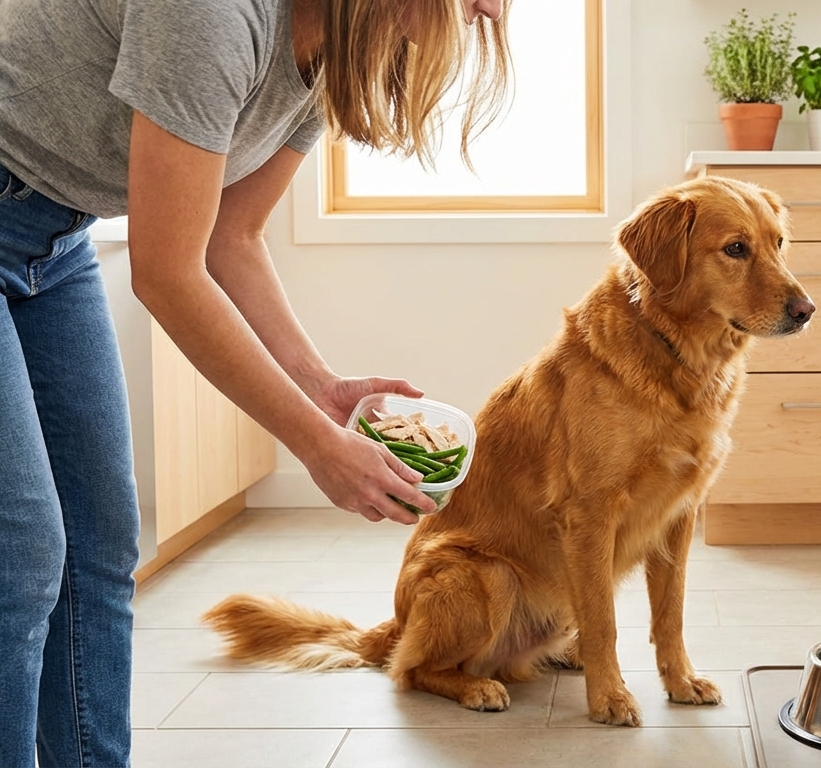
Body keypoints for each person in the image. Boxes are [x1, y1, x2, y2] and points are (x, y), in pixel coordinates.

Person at [0, 0, 510, 764]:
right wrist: (318, 447)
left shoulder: (331, 44)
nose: (491, 9)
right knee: (24, 554)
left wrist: (322, 389)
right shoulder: (214, 14)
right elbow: (169, 273)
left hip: (55, 235)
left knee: (101, 543)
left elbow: (232, 235)